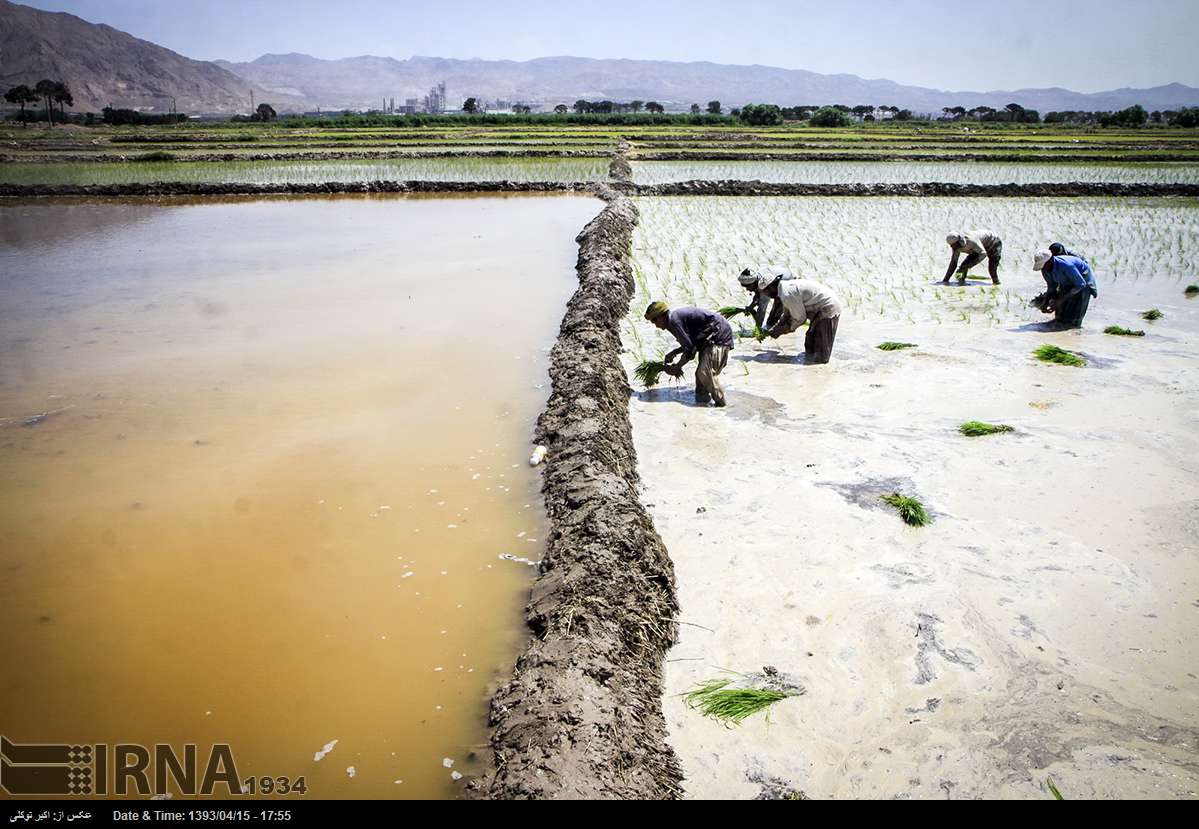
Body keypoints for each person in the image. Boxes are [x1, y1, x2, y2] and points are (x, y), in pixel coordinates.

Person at [644, 301, 734, 407]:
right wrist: (674, 352)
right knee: (701, 379)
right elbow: (689, 344)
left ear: (662, 316)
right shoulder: (672, 321)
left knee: (704, 372)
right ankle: (702, 406)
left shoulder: (674, 321)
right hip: (707, 338)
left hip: (718, 335)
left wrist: (677, 367)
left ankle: (721, 405)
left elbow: (690, 351)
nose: (656, 325)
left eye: (655, 320)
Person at [758, 273, 844, 364]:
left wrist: (786, 329)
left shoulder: (787, 293)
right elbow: (787, 314)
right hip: (819, 310)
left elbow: (800, 319)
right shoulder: (784, 290)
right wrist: (776, 328)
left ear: (770, 288)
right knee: (810, 343)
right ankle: (810, 369)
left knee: (821, 352)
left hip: (828, 307)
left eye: (765, 292)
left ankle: (820, 371)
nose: (766, 295)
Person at [1033, 249, 1098, 328]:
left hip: (1083, 282)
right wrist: (1045, 303)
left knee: (1074, 318)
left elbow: (1081, 284)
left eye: (1043, 266)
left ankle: (1074, 330)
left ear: (1050, 261)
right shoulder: (1045, 270)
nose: (1043, 269)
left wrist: (1060, 301)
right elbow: (1051, 287)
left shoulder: (1066, 265)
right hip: (1067, 282)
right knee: (1060, 316)